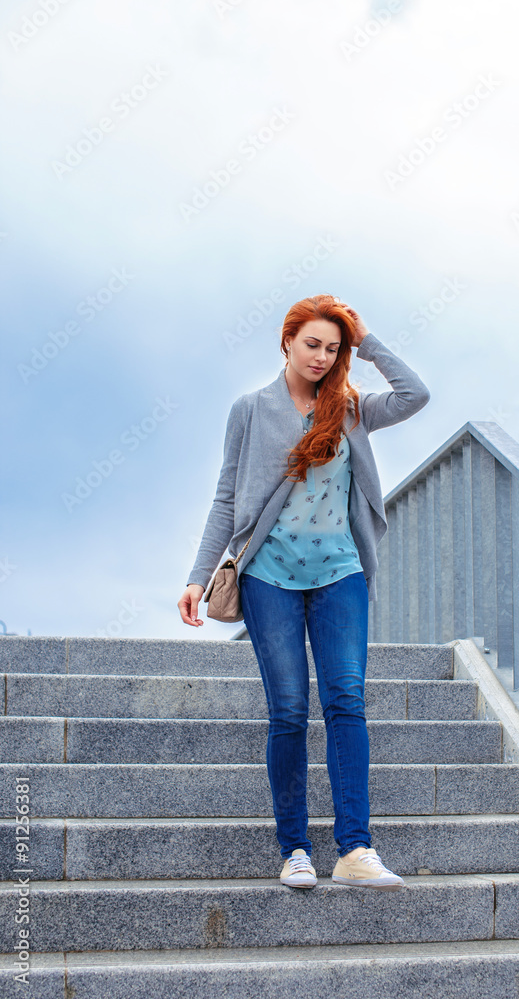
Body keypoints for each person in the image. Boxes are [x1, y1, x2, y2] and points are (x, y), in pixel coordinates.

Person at [177, 294, 430, 891]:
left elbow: (415, 395)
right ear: (287, 342)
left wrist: (367, 340)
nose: (321, 357)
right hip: (269, 577)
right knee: (288, 710)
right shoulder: (251, 409)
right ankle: (294, 847)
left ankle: (355, 849)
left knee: (347, 701)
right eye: (312, 344)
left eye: (333, 348)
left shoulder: (348, 408)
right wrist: (197, 575)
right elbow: (225, 497)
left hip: (340, 571)